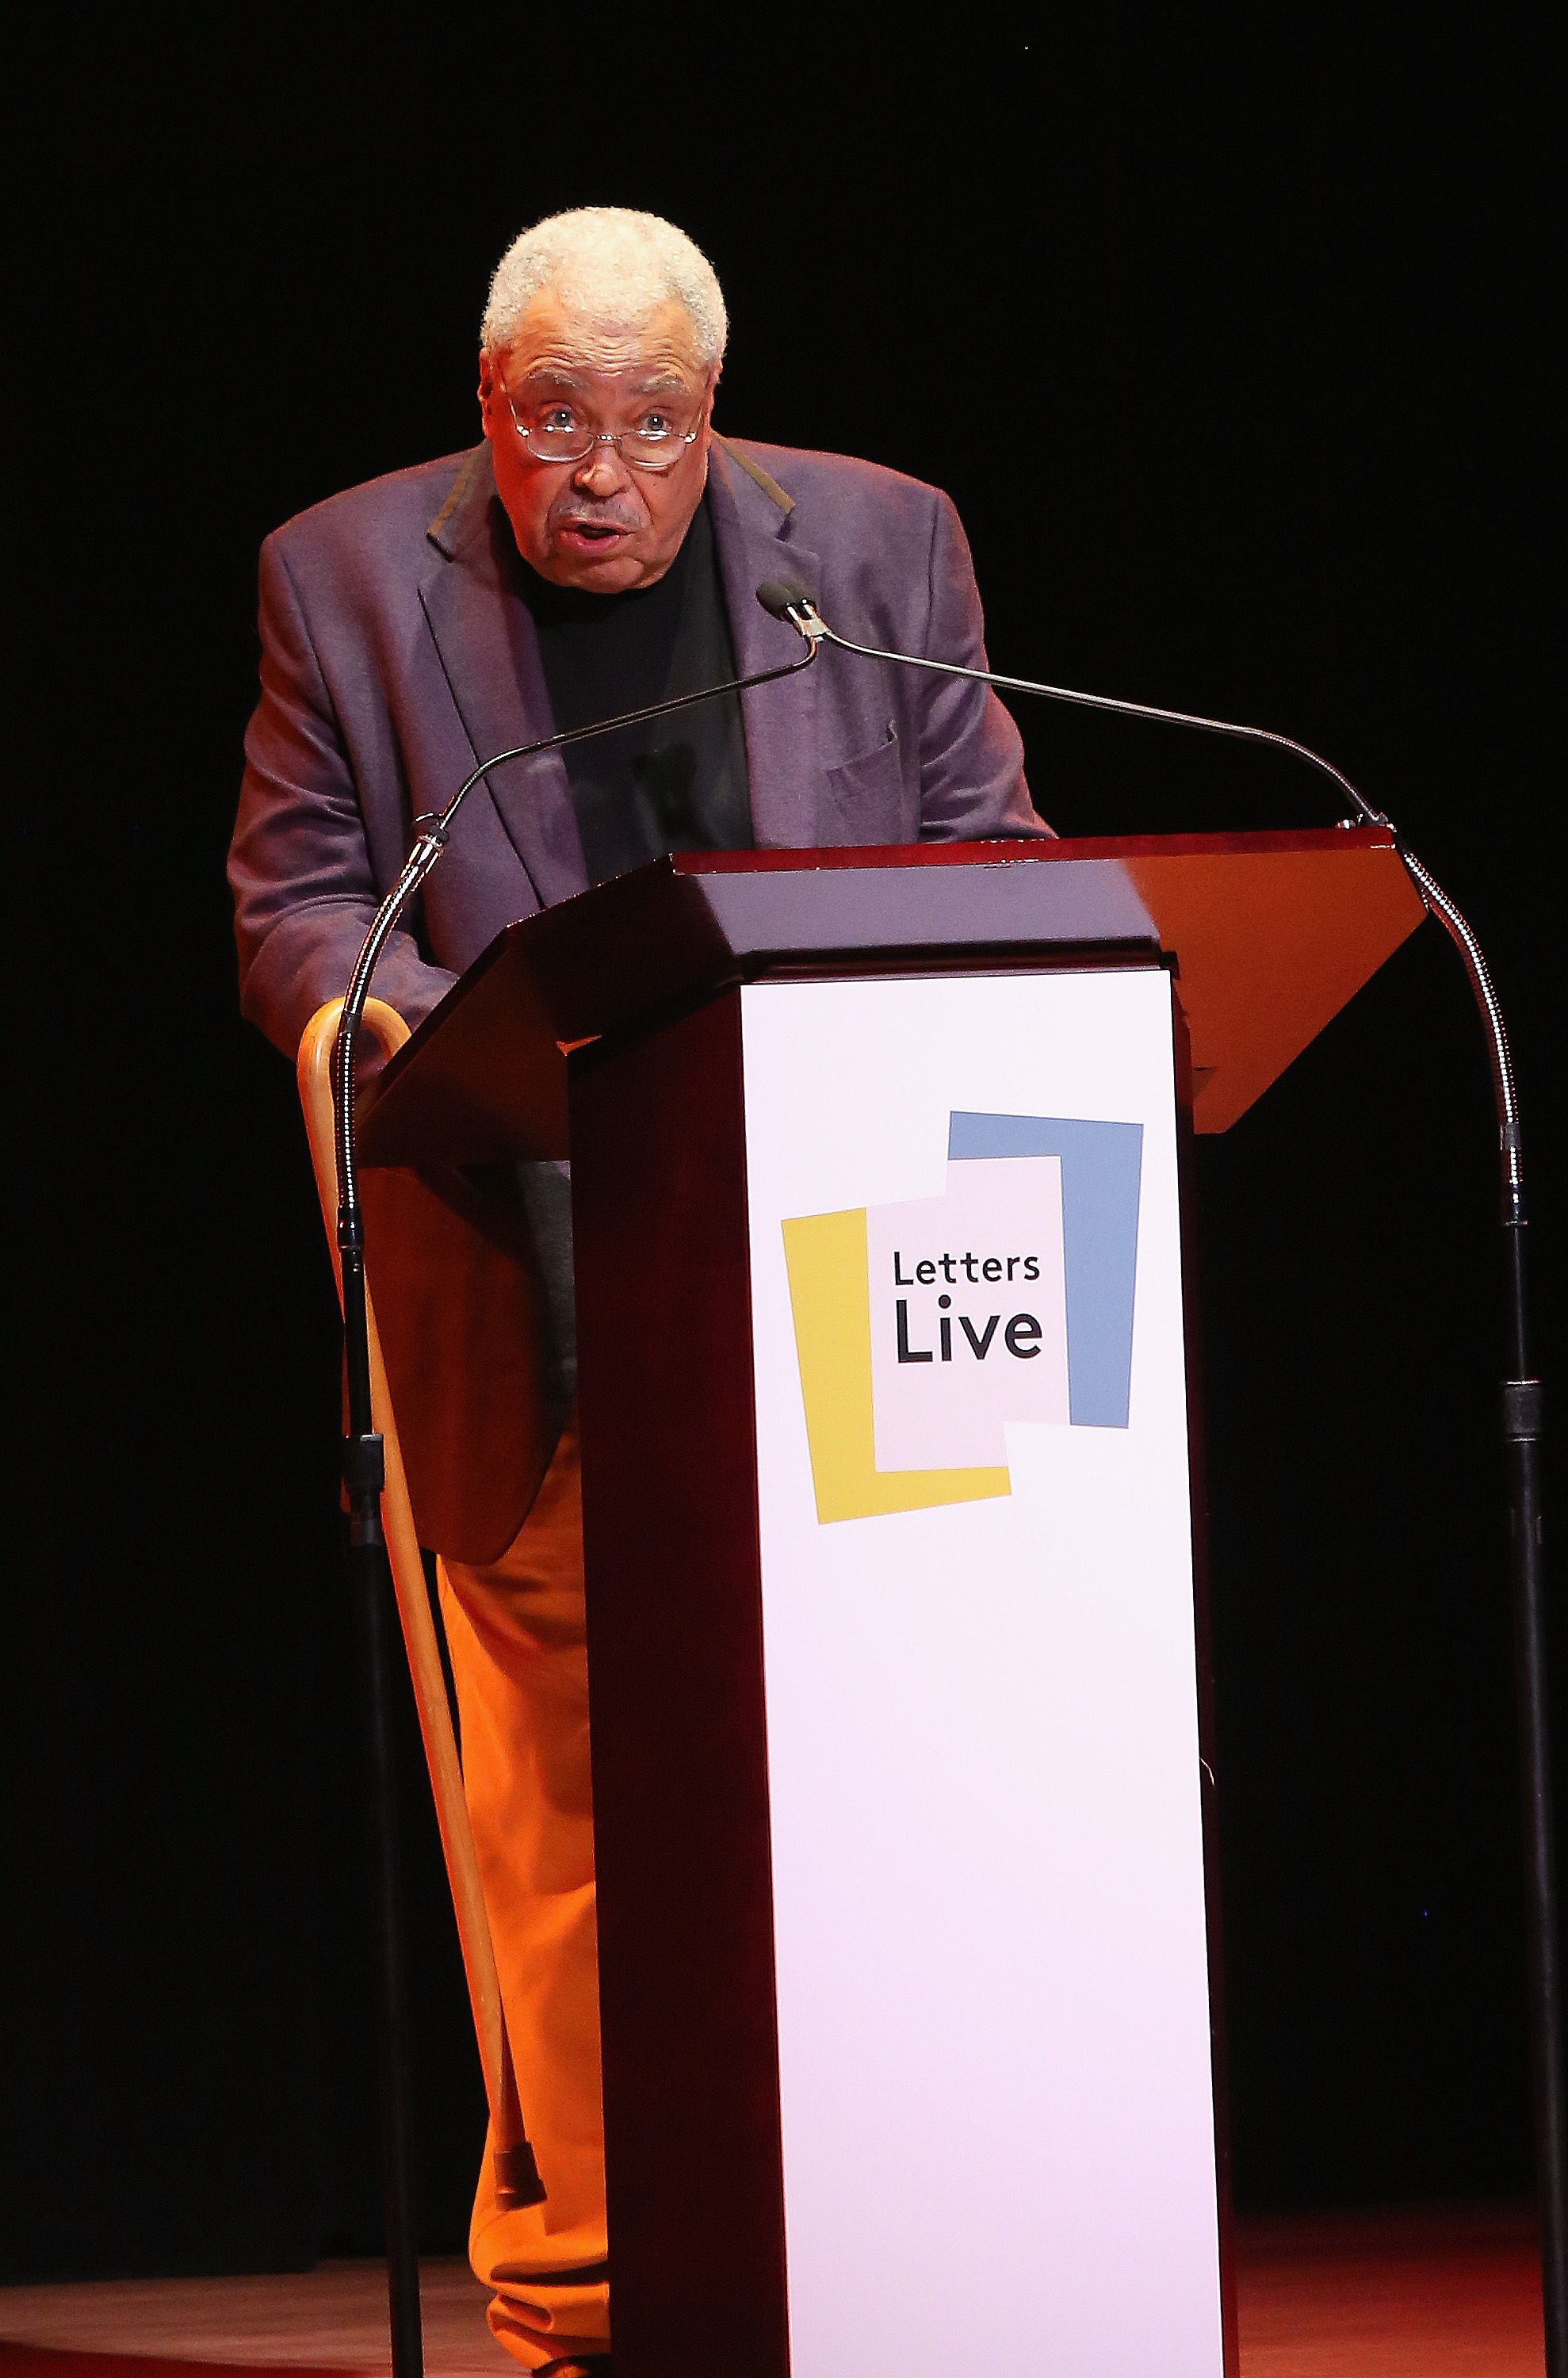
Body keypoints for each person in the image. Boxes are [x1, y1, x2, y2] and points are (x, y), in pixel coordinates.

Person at [229, 206, 1045, 2374]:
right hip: (530, 1256)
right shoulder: (341, 573)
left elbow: (982, 843)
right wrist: (424, 1042)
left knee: (885, 1787)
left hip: (855, 1265)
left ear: (714, 418)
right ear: (482, 410)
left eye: (651, 427)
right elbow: (299, 898)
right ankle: (593, 2294)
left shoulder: (872, 550)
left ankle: (902, 2239)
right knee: (565, 1821)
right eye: (552, 424)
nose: (600, 475)